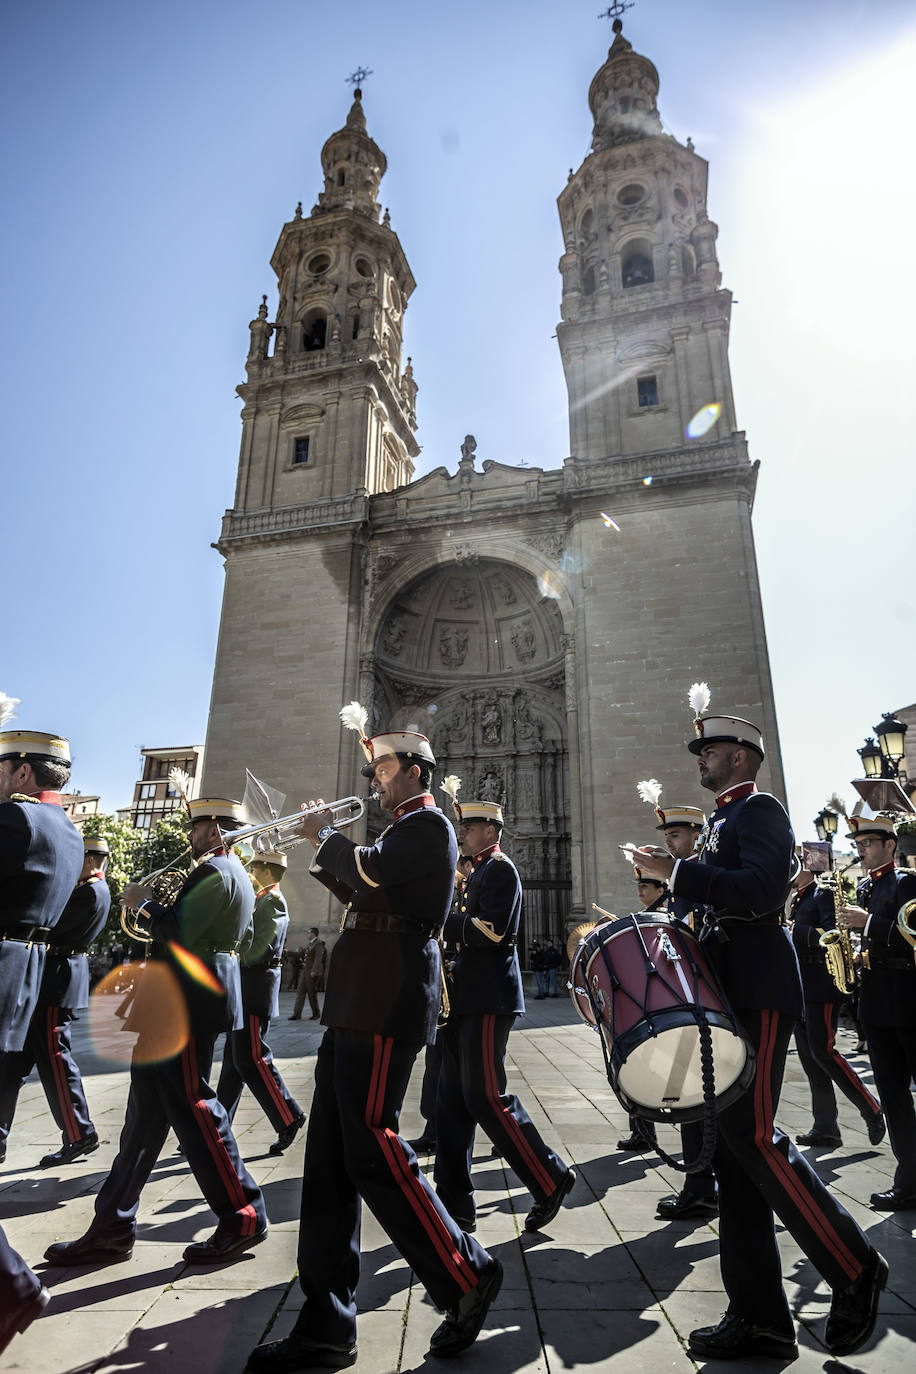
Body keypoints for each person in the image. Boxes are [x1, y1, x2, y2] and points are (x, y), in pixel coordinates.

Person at [247, 711, 501, 1373]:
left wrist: (325, 834)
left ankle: (465, 1272)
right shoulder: (399, 835)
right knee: (330, 1163)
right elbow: (358, 888)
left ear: (414, 768)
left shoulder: (430, 826)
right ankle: (326, 1321)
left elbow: (370, 872)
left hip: (386, 1002)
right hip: (357, 1001)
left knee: (375, 1151)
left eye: (383, 768)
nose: (375, 780)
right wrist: (319, 846)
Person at [633, 702, 887, 1360]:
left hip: (758, 993)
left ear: (740, 756)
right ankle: (761, 1317)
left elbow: (758, 891)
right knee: (732, 1159)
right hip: (723, 995)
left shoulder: (761, 812)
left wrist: (680, 873)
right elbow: (704, 907)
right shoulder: (721, 823)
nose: (702, 761)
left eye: (710, 751)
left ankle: (854, 1264)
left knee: (754, 1138)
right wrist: (669, 923)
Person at [45, 797, 267, 1267]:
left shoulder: (217, 871)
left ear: (212, 829)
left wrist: (143, 903)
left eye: (194, 827)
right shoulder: (236, 874)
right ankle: (112, 1226)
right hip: (182, 999)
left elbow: (180, 933)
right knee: (143, 1121)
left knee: (195, 1108)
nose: (189, 836)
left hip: (184, 1002)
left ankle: (244, 1213)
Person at [433, 791, 576, 1233]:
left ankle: (549, 1177)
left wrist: (437, 921)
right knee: (450, 1105)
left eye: (471, 828)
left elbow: (492, 931)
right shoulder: (474, 875)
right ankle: (455, 1205)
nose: (463, 834)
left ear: (492, 831)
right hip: (464, 999)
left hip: (488, 998)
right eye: (462, 827)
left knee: (485, 1097)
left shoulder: (500, 870)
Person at [0, 723, 84, 1347]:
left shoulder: (15, 821)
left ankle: (10, 1283)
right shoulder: (71, 832)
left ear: (23, 772)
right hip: (21, 983)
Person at [0, 834, 112, 1167]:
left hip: (56, 982)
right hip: (52, 978)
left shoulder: (91, 892)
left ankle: (80, 1133)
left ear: (90, 860)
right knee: (11, 1065)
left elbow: (50, 925)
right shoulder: (89, 889)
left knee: (55, 1062)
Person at [837, 814, 916, 1209]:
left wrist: (868, 924)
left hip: (908, 996)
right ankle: (908, 1180)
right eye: (858, 844)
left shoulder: (907, 882)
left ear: (890, 845)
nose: (862, 850)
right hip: (876, 1002)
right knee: (893, 1095)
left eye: (868, 843)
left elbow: (912, 933)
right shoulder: (865, 887)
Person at [650, 800, 719, 1221]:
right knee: (692, 1099)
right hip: (684, 1000)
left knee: (712, 1099)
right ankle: (699, 1186)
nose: (669, 843)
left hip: (708, 1000)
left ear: (696, 835)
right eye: (667, 837)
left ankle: (708, 1186)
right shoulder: (675, 885)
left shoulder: (704, 877)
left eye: (675, 835)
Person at [789, 864, 884, 1149]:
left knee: (824, 1052)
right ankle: (826, 1126)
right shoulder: (799, 897)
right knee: (811, 1060)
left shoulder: (824, 894)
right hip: (803, 985)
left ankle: (872, 1109)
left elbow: (833, 933)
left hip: (823, 984)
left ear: (806, 869)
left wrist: (796, 930)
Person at [217, 849, 305, 1155]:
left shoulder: (273, 901)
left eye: (252, 868)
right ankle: (218, 1127)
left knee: (251, 1057)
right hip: (245, 986)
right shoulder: (261, 900)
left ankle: (288, 1116)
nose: (248, 873)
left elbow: (260, 949)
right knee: (233, 1060)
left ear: (265, 871)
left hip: (255, 988)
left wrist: (230, 944)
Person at [615, 870, 663, 1154]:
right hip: (642, 1004)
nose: (640, 892)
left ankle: (644, 1132)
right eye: (639, 887)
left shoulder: (661, 917)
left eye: (645, 887)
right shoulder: (645, 915)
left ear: (660, 889)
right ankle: (642, 1132)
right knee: (636, 1067)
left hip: (656, 1005)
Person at [289, 927, 326, 1021]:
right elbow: (300, 954)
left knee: (311, 994)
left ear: (313, 933)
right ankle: (297, 1014)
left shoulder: (318, 943)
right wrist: (287, 952)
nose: (307, 934)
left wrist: (314, 970)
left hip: (311, 973)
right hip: (305, 972)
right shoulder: (310, 944)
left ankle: (316, 1013)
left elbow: (318, 958)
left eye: (308, 933)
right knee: (300, 992)